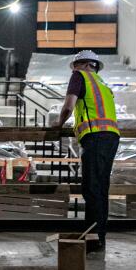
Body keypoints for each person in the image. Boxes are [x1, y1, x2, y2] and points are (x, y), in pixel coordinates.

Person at [53, 50, 120, 252]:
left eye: (74, 66)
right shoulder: (102, 84)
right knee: (100, 188)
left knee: (91, 188)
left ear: (79, 64)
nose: (73, 70)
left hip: (96, 137)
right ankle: (98, 236)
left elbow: (69, 106)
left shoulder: (79, 76)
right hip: (111, 137)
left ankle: (93, 239)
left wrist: (59, 123)